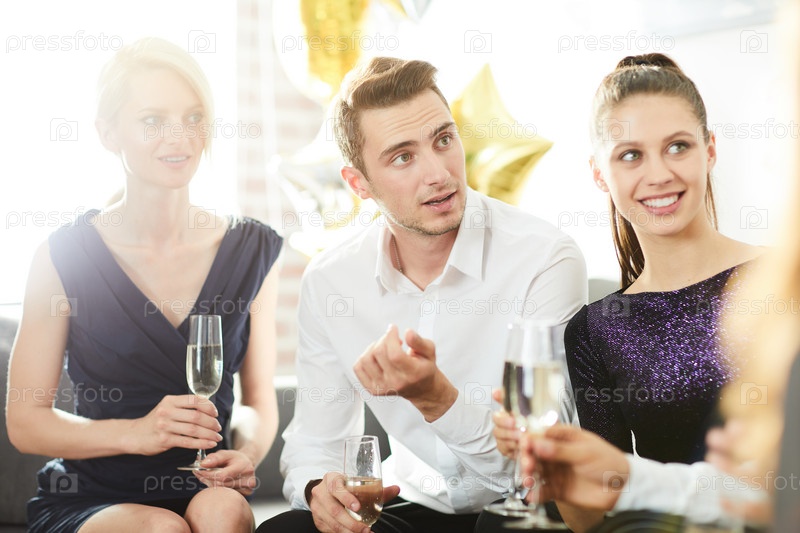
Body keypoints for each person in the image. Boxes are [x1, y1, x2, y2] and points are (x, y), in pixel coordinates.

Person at [256, 57, 586, 533]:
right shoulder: (332, 281)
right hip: (410, 506)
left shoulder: (544, 257)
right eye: (403, 157)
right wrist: (319, 491)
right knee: (285, 531)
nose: (439, 174)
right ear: (359, 183)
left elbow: (532, 467)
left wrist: (437, 399)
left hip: (519, 508)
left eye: (443, 140)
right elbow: (315, 443)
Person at [6, 37, 282, 533]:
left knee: (223, 511)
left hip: (205, 484)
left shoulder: (252, 249)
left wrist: (248, 452)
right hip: (94, 497)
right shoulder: (63, 255)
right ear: (108, 133)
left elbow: (258, 402)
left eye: (193, 117)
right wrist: (137, 432)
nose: (179, 137)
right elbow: (26, 422)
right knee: (162, 529)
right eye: (152, 120)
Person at [491, 52, 764, 531]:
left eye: (677, 146)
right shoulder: (595, 329)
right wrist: (552, 467)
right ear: (599, 172)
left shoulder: (783, 280)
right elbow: (592, 517)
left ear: (710, 150)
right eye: (631, 155)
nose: (658, 174)